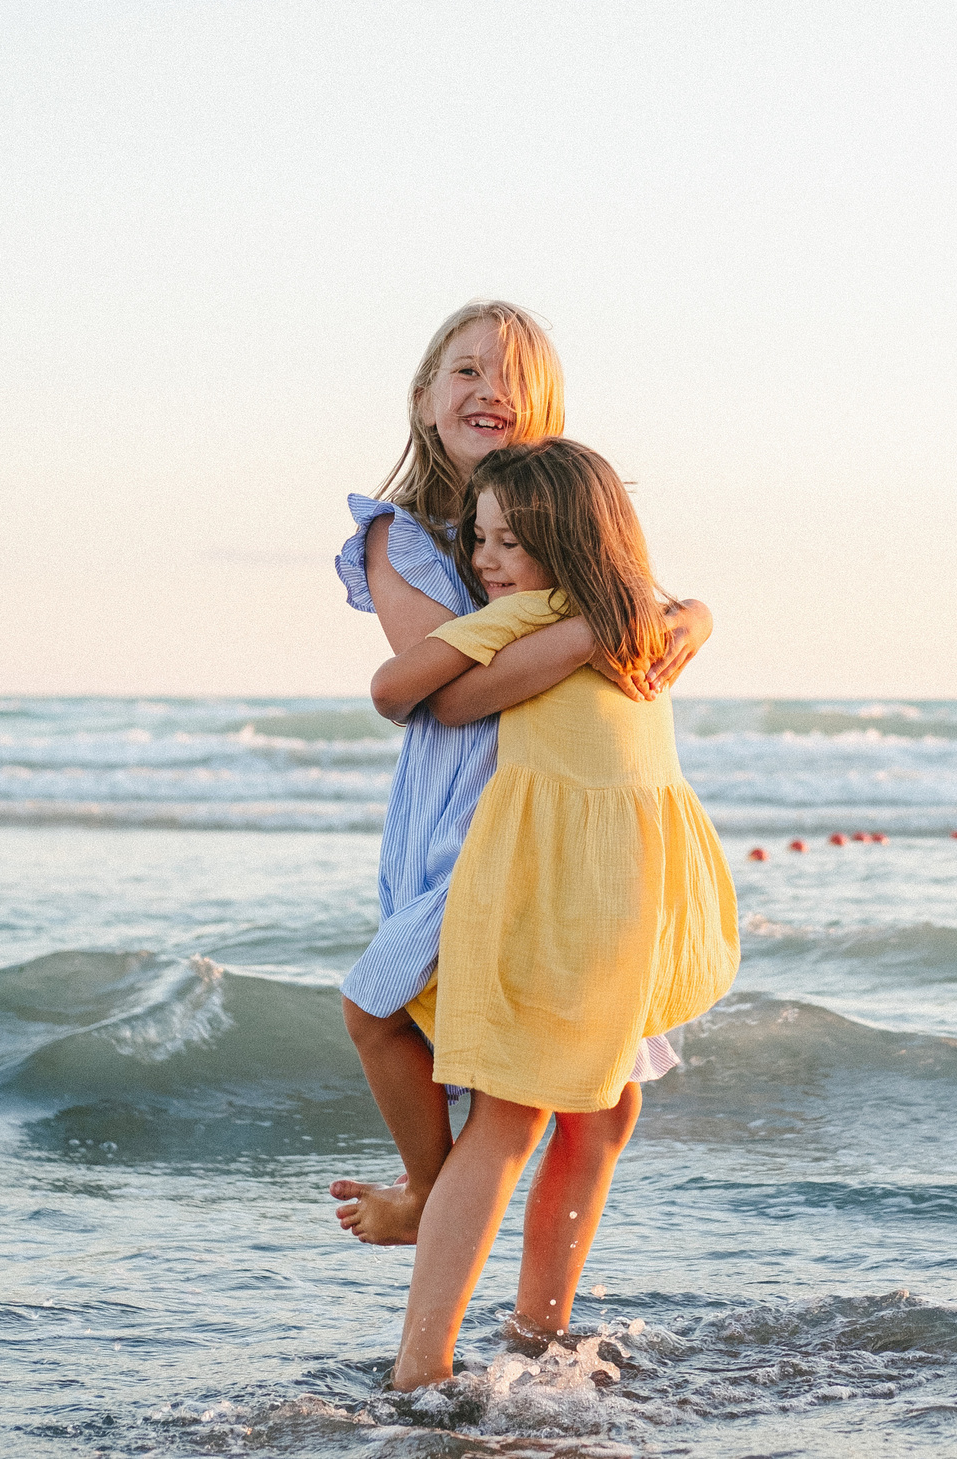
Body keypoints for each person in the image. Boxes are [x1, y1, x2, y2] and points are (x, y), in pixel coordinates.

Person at [330, 302, 711, 1246]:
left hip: (578, 823)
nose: (490, 390)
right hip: (469, 822)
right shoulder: (403, 536)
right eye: (465, 372)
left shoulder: (577, 514)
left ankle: (539, 1330)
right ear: (423, 400)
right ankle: (428, 1192)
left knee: (599, 1103)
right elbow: (449, 695)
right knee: (393, 1012)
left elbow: (655, 609)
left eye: (515, 377)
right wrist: (597, 630)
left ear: (549, 409)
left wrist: (695, 616)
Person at [366, 438, 740, 1389]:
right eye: (478, 539)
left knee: (607, 1109)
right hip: (557, 893)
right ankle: (425, 1362)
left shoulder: (643, 622)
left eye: (507, 542)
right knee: (513, 1113)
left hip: (618, 897)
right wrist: (578, 631)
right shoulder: (537, 616)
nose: (483, 561)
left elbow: (693, 615)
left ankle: (537, 1336)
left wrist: (671, 617)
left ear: (573, 539)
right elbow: (401, 691)